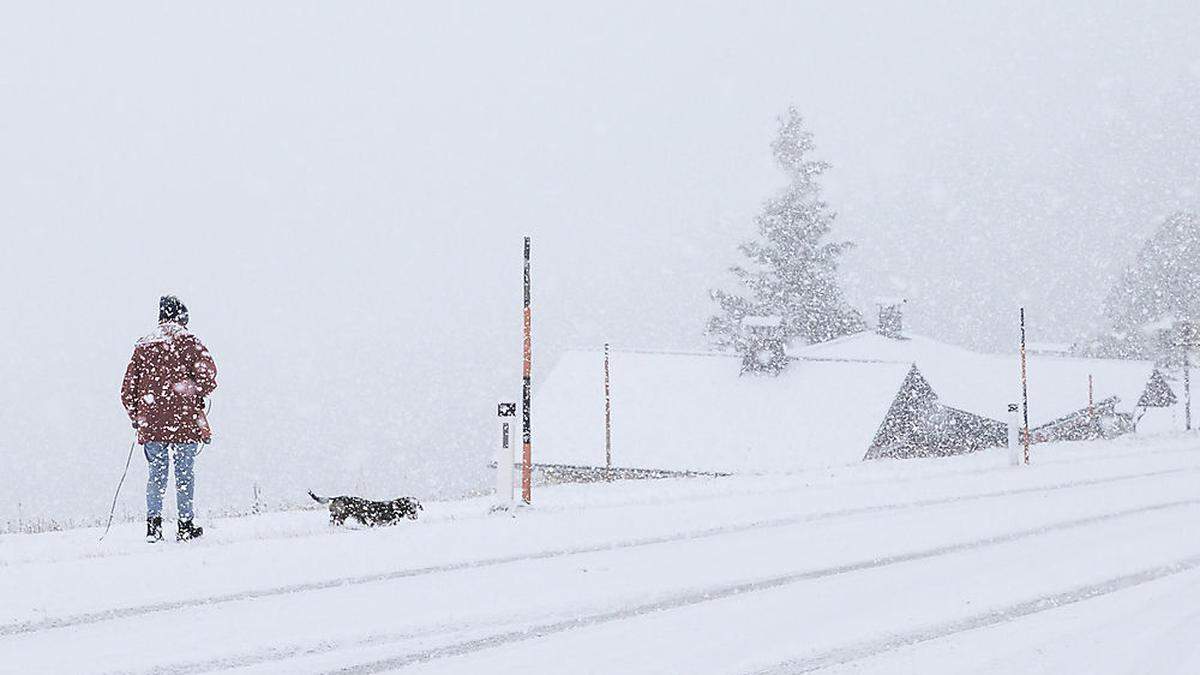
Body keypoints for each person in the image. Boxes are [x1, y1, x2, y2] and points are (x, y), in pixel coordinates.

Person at [120, 295, 218, 543]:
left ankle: (154, 527)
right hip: (185, 421)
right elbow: (208, 377)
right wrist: (192, 393)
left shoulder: (143, 346)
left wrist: (138, 416)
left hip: (151, 423)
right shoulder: (189, 342)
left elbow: (127, 390)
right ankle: (185, 526)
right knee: (184, 474)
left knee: (156, 474)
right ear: (181, 316)